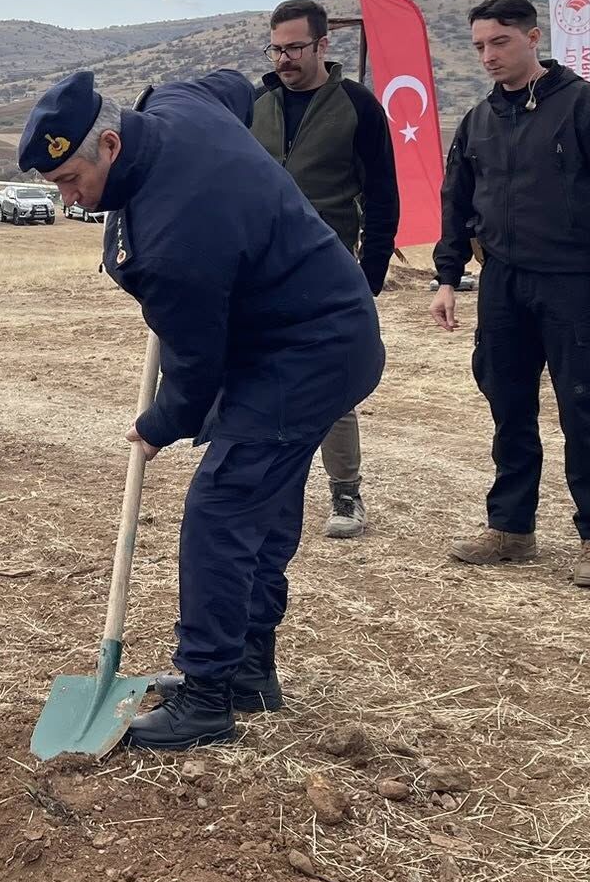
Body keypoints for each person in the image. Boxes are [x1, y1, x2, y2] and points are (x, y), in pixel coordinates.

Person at [21, 68, 383, 749]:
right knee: (263, 504)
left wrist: (157, 423)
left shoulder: (173, 236)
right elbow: (228, 84)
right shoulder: (177, 104)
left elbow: (195, 373)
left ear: (111, 145)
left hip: (306, 351)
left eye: (73, 182)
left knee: (220, 509)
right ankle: (248, 669)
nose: (69, 202)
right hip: (306, 333)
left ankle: (208, 696)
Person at [431, 0, 590, 590]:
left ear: (534, 38)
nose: (488, 56)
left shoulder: (587, 107)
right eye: (479, 45)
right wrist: (448, 276)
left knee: (582, 407)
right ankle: (511, 528)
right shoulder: (480, 120)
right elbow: (455, 201)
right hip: (503, 283)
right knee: (507, 405)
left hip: (576, 283)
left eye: (499, 42)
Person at [240, 0, 399, 540]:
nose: (283, 59)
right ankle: (260, 487)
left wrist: (370, 274)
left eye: (294, 48)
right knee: (255, 379)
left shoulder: (358, 106)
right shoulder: (255, 105)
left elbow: (383, 196)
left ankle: (346, 495)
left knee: (333, 386)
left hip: (327, 271)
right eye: (276, 48)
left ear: (323, 45)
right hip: (256, 272)